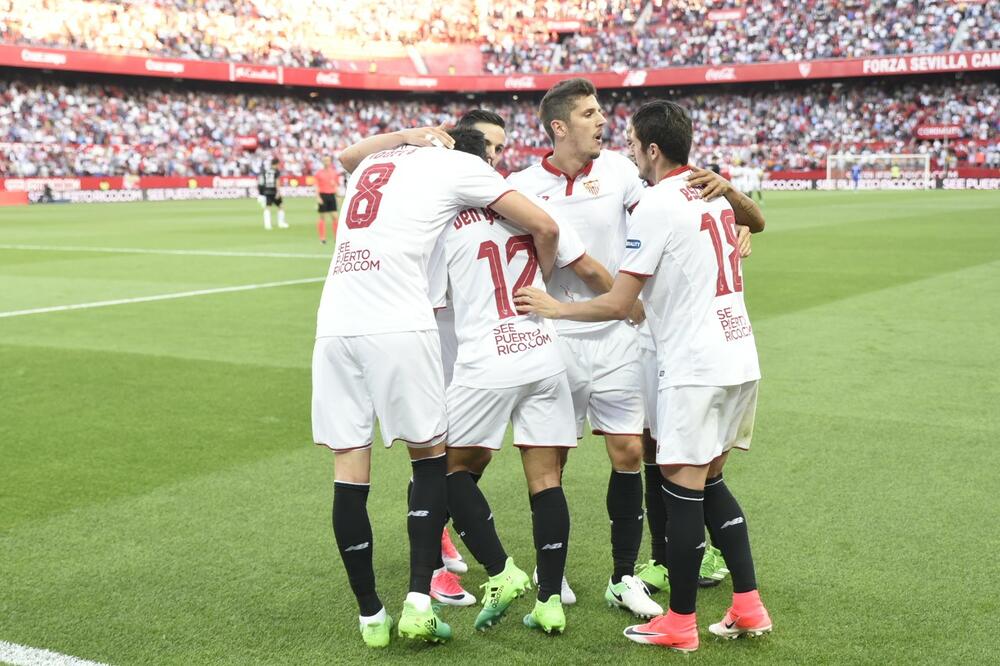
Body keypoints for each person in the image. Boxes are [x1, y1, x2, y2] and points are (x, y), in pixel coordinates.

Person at [515, 99, 771, 653]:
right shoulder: (712, 196)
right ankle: (748, 605)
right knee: (712, 482)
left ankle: (679, 622)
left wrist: (556, 309)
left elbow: (617, 302)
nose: (624, 147)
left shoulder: (656, 203)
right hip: (740, 356)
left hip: (695, 364)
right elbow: (757, 220)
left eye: (632, 142)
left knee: (679, 487)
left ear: (652, 149)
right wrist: (727, 186)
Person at [315, 125, 561, 648]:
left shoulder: (378, 164)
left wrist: (410, 133)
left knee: (348, 467)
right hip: (399, 321)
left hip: (333, 323)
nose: (496, 157)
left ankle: (369, 618)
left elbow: (346, 153)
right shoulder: (458, 165)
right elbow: (540, 221)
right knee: (430, 458)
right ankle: (419, 603)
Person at [314, 156, 340, 244]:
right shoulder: (318, 173)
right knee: (322, 217)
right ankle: (322, 238)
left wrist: (338, 196)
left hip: (331, 195)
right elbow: (316, 186)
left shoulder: (334, 173)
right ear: (322, 161)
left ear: (330, 161)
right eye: (325, 160)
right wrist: (318, 197)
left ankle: (337, 238)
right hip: (323, 195)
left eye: (328, 160)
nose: (326, 162)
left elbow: (336, 185)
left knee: (335, 217)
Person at [258, 157, 288, 230]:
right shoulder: (276, 171)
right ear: (277, 163)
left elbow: (261, 181)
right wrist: (278, 191)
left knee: (268, 207)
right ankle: (281, 223)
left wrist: (261, 192)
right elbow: (277, 181)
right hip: (274, 190)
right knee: (280, 206)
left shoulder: (266, 171)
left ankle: (267, 224)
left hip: (267, 191)